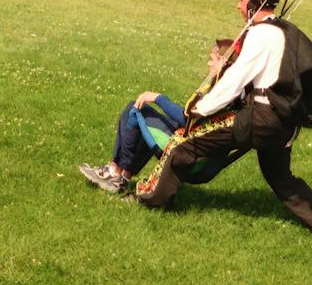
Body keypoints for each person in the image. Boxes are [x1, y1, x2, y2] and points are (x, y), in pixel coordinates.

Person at [127, 0, 312, 238]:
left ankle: (151, 199)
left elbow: (235, 82)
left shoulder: (260, 35)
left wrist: (199, 109)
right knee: (280, 177)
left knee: (183, 145)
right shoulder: (286, 31)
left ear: (256, 3)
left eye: (242, 0)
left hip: (260, 118)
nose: (238, 5)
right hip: (284, 122)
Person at [78, 41, 229, 191]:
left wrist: (158, 97)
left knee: (135, 109)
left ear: (223, 63)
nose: (209, 64)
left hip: (189, 153)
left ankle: (114, 173)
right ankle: (122, 177)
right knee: (151, 121)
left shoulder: (219, 92)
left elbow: (187, 118)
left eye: (213, 60)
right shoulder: (228, 91)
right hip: (199, 154)